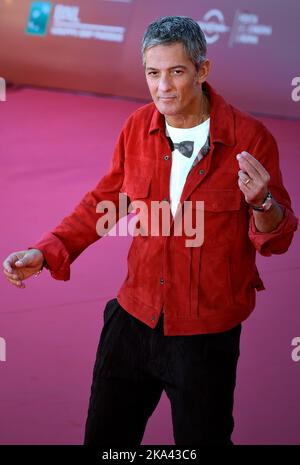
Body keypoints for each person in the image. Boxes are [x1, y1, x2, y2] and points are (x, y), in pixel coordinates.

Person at [3, 16, 298, 446]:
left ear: (202, 71)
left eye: (176, 72)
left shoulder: (250, 139)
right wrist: (46, 252)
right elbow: (103, 205)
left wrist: (262, 203)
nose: (163, 87)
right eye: (153, 73)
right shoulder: (137, 128)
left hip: (206, 335)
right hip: (133, 319)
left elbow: (279, 238)